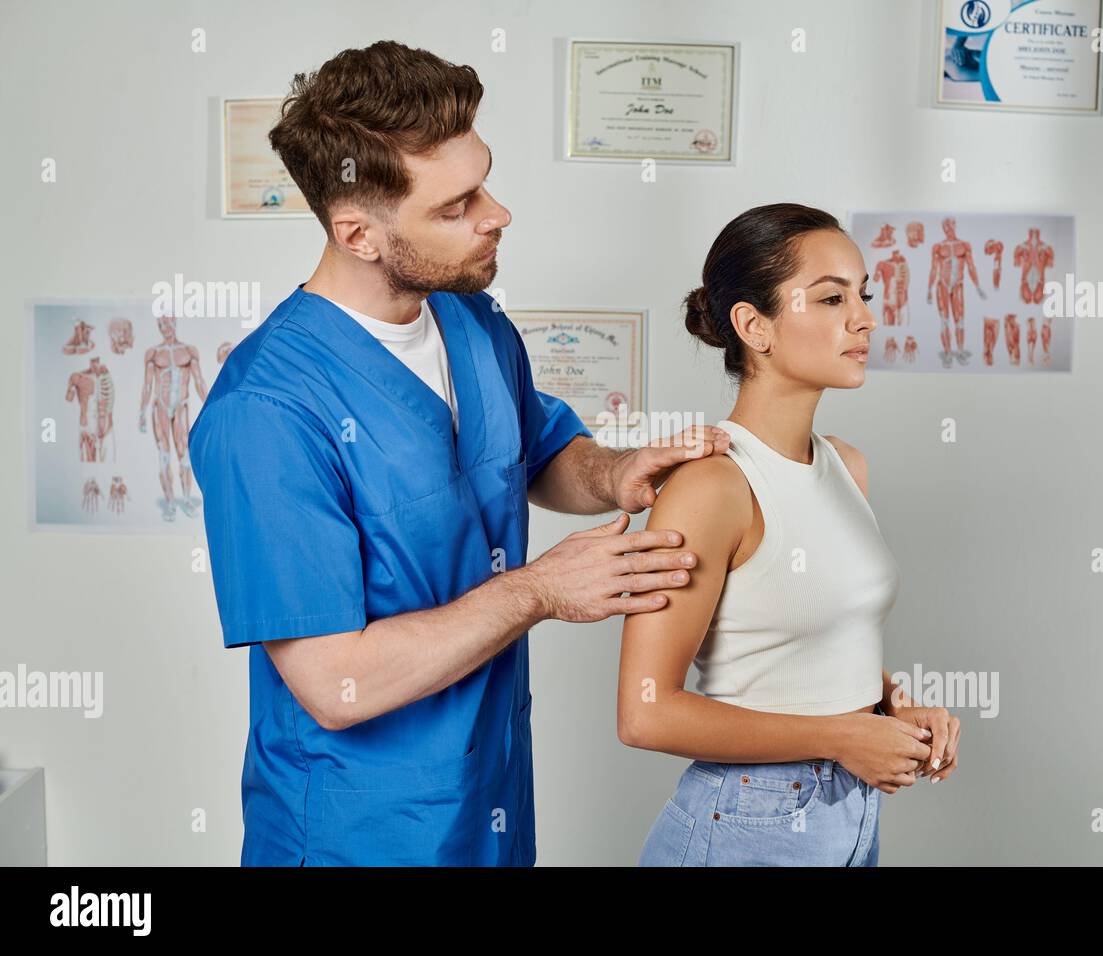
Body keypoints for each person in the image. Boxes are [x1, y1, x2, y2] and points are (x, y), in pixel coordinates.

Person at [189, 41, 730, 866]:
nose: (497, 213)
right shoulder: (266, 412)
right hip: (358, 838)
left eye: (486, 180)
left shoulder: (473, 324)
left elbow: (542, 452)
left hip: (492, 814)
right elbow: (340, 685)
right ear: (359, 232)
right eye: (458, 204)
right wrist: (541, 590)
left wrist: (613, 473)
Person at [619, 203, 962, 866]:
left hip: (851, 810)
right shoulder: (712, 487)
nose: (862, 318)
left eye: (862, 295)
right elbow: (645, 712)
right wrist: (840, 736)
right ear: (754, 326)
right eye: (831, 298)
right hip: (749, 818)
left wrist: (893, 706)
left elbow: (803, 643)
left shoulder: (846, 464)